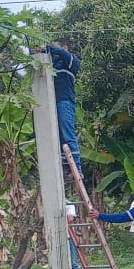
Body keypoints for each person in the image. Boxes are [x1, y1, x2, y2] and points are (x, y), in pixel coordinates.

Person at [45, 39, 81, 180]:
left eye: (56, 47)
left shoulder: (71, 61)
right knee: (59, 138)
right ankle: (67, 167)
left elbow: (60, 51)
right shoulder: (52, 64)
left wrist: (47, 47)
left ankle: (77, 167)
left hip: (65, 102)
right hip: (53, 104)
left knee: (68, 135)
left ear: (65, 47)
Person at [66, 200, 83, 269]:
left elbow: (70, 219)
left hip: (69, 237)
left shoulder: (69, 204)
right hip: (57, 238)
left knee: (73, 263)